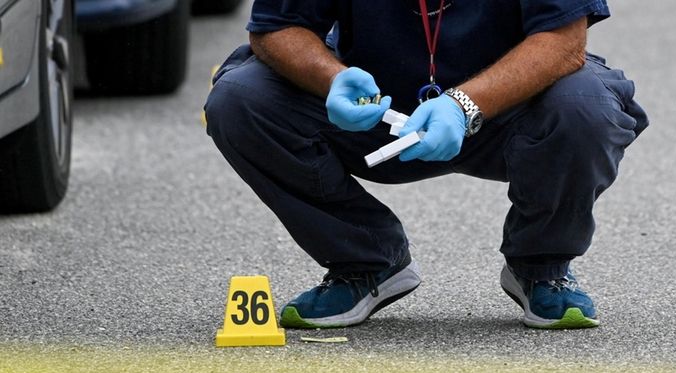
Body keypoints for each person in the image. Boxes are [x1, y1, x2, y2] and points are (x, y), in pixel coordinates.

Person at [204, 0, 649, 330]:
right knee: (241, 100)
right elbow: (276, 27)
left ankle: (541, 266)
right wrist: (332, 78)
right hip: (375, 110)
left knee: (587, 108)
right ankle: (364, 260)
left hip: (505, 108)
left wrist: (464, 104)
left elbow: (564, 42)